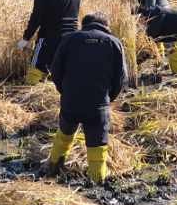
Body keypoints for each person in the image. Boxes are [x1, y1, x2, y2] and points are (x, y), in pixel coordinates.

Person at [46, 13, 127, 184]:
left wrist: (65, 92)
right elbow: (121, 79)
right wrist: (107, 98)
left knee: (64, 135)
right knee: (97, 147)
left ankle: (52, 169)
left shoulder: (69, 39)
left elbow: (55, 71)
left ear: (84, 25)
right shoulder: (114, 43)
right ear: (106, 26)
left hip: (70, 102)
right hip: (98, 105)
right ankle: (97, 182)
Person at [16, 0, 81, 86]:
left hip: (49, 37)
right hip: (72, 36)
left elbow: (36, 17)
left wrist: (26, 38)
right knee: (65, 70)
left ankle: (28, 95)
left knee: (36, 67)